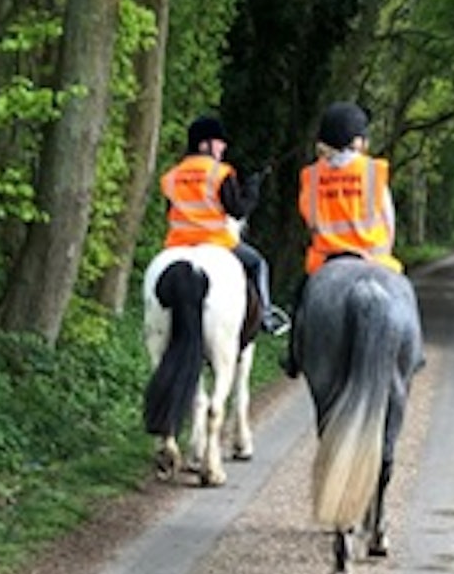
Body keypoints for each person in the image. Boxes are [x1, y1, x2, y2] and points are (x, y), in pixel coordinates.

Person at [282, 101, 404, 377]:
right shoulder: (372, 171)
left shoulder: (312, 177)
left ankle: (293, 356)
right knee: (403, 293)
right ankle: (410, 352)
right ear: (357, 141)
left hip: (325, 261)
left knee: (300, 298)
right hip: (372, 259)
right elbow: (388, 220)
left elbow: (311, 222)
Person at [160, 115, 290, 336]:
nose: (223, 147)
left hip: (177, 244)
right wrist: (252, 189)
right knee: (258, 263)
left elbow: (170, 211)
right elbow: (237, 209)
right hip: (215, 242)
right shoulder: (219, 172)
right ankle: (267, 316)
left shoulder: (172, 176)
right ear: (204, 145)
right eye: (218, 142)